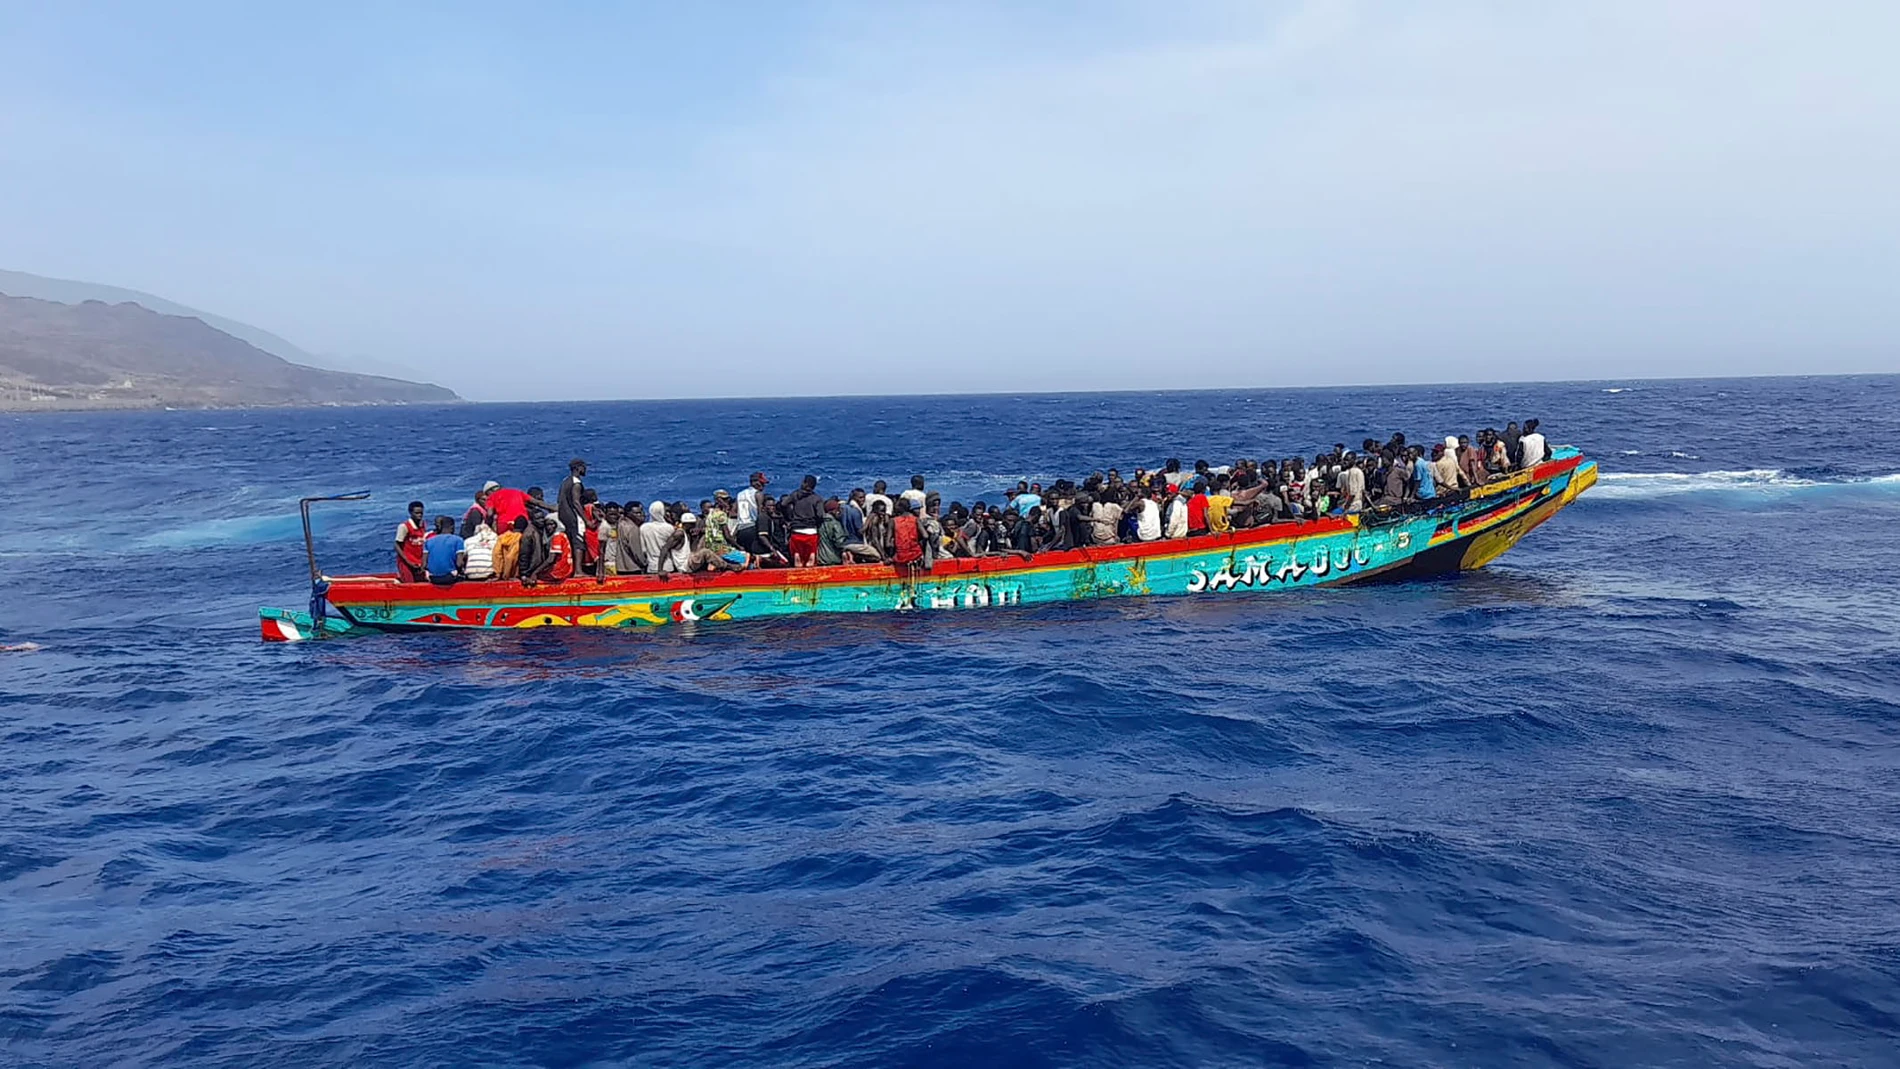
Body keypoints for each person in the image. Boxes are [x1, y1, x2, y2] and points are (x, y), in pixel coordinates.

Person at [423, 516, 465, 583]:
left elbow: (424, 564)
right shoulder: (458, 540)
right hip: (449, 577)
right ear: (452, 527)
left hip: (432, 578)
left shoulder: (428, 541)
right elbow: (459, 564)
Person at [394, 501, 429, 582]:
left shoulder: (422, 525)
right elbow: (397, 545)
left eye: (421, 513)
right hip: (406, 562)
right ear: (410, 512)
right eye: (417, 513)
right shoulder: (404, 527)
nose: (419, 515)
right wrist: (408, 561)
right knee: (409, 584)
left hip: (418, 561)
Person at [733, 472, 768, 552]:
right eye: (762, 483)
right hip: (753, 527)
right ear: (755, 482)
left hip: (741, 528)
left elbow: (733, 512)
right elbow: (760, 514)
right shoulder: (758, 494)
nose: (763, 486)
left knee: (745, 553)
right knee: (756, 552)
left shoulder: (740, 494)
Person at [891, 497, 924, 569]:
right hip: (916, 555)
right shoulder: (915, 519)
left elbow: (887, 544)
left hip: (900, 557)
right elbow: (926, 536)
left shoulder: (893, 521)